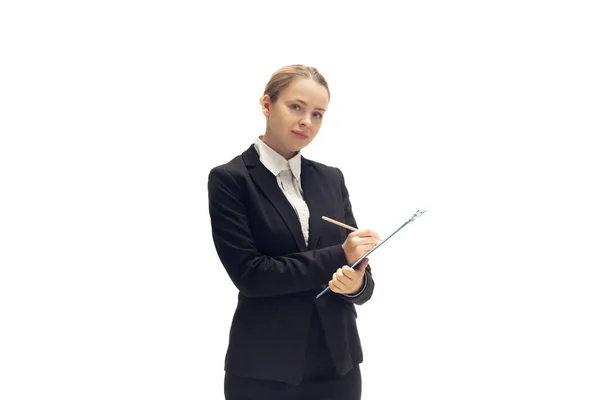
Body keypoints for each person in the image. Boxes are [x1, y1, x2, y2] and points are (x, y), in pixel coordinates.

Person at [207, 64, 380, 400]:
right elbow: (251, 275)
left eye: (318, 114)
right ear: (267, 104)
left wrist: (356, 284)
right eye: (296, 107)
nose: (307, 122)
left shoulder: (331, 179)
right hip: (264, 369)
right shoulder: (231, 180)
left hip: (337, 366)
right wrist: (339, 254)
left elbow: (362, 274)